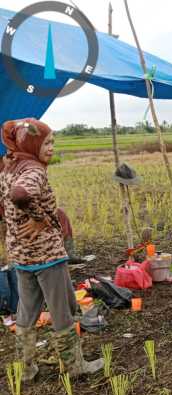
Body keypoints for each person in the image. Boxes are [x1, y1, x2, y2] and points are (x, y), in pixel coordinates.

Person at [0, 118, 103, 381]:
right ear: (31, 143)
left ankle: (26, 369)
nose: (51, 147)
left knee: (26, 311)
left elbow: (7, 200)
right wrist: (39, 218)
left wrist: (12, 228)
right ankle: (75, 367)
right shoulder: (33, 170)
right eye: (46, 142)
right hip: (46, 255)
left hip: (22, 255)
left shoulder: (9, 166)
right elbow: (20, 195)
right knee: (62, 310)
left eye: (53, 141)